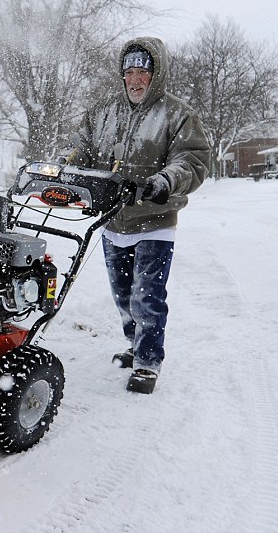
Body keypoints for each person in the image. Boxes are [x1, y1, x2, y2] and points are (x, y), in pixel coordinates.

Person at [65, 36, 209, 394]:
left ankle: (147, 361)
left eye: (141, 72)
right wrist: (69, 172)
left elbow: (192, 160)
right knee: (124, 294)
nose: (134, 79)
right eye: (128, 72)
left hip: (155, 220)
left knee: (148, 295)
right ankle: (135, 342)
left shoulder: (177, 114)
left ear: (155, 74)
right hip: (113, 220)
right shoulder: (103, 112)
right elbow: (82, 149)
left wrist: (164, 180)